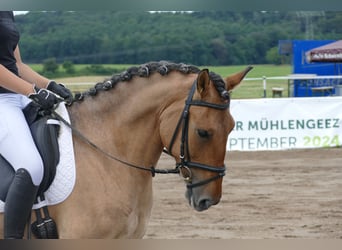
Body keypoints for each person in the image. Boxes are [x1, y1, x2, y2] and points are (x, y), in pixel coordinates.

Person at [0, 11, 73, 239]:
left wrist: (49, 84)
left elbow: (16, 64)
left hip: (18, 96)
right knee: (32, 166)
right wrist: (33, 92)